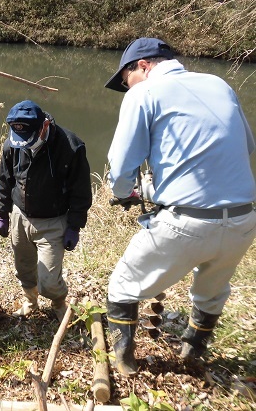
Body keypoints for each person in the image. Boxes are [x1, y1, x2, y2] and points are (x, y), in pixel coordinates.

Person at [104, 37, 256, 376]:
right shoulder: (218, 83)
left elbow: (121, 166)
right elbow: (246, 144)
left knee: (123, 286)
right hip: (244, 219)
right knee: (210, 291)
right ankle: (193, 350)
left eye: (126, 81)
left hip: (186, 223)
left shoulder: (143, 94)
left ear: (142, 66)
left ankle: (126, 363)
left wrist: (127, 190)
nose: (127, 89)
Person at [0, 100, 92, 320]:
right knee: (24, 268)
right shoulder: (12, 144)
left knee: (48, 281)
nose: (23, 144)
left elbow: (81, 191)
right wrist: (3, 211)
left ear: (44, 126)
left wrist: (74, 226)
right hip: (21, 216)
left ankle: (58, 303)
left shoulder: (71, 146)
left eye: (28, 138)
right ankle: (30, 301)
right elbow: (5, 178)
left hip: (53, 221)